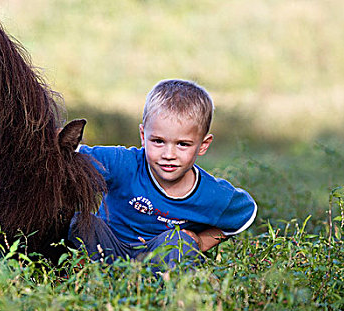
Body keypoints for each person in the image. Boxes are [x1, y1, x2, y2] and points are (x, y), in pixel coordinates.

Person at [69, 79, 257, 270]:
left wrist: (201, 241)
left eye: (183, 144)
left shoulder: (212, 193)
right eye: (158, 141)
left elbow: (245, 213)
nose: (168, 155)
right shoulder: (122, 163)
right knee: (80, 222)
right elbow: (72, 153)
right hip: (108, 248)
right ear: (143, 136)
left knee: (180, 241)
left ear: (203, 145)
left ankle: (167, 288)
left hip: (159, 259)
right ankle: (85, 276)